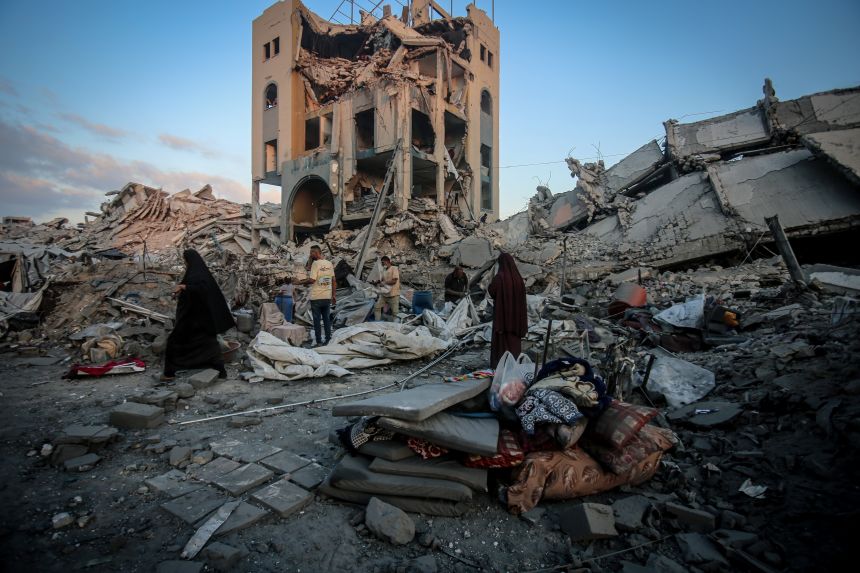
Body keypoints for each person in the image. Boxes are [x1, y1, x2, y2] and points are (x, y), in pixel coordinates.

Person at [162, 249, 235, 381]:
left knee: (174, 342)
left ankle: (169, 373)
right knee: (208, 345)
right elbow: (192, 288)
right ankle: (220, 371)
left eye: (185, 260)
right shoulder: (196, 272)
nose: (185, 262)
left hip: (195, 318)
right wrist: (181, 290)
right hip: (198, 319)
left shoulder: (198, 274)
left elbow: (202, 289)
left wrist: (184, 287)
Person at [487, 252, 527, 369]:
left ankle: (500, 367)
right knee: (514, 343)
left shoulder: (499, 278)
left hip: (503, 320)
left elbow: (491, 291)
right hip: (516, 321)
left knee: (502, 345)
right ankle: (514, 364)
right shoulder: (518, 279)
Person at [297, 245, 336, 346]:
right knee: (327, 320)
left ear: (315, 253)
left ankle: (318, 341)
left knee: (317, 321)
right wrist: (334, 295)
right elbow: (333, 280)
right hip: (327, 297)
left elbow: (312, 280)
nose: (310, 255)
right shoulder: (329, 263)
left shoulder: (315, 264)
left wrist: (298, 283)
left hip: (316, 298)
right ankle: (328, 340)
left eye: (311, 253)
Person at [373, 256, 401, 321]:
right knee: (377, 307)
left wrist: (384, 283)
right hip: (385, 294)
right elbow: (381, 280)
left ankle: (396, 327)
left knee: (395, 312)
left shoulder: (394, 268)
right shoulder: (384, 270)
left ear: (387, 261)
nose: (382, 264)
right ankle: (377, 323)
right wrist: (376, 282)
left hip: (393, 294)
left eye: (383, 262)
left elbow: (394, 281)